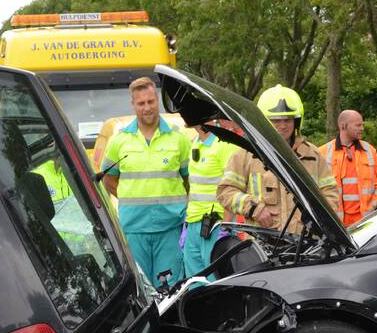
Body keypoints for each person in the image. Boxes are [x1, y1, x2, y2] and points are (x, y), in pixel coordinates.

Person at [100, 77, 191, 286]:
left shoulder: (179, 139)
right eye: (141, 103)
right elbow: (108, 179)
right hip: (133, 230)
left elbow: (188, 181)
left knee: (170, 289)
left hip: (170, 229)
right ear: (133, 105)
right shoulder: (119, 141)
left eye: (151, 102)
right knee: (139, 288)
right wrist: (129, 197)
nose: (147, 108)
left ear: (157, 100)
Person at [218, 84, 339, 235]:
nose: (282, 125)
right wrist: (254, 208)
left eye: (288, 120)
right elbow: (225, 191)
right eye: (276, 120)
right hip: (264, 244)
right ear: (264, 121)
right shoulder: (246, 154)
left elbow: (330, 193)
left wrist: (319, 219)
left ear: (296, 121)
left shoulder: (312, 155)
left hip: (306, 245)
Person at [183, 124, 238, 278]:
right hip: (194, 225)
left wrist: (226, 227)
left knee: (216, 283)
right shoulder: (195, 142)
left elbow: (232, 187)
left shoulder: (224, 143)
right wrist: (187, 225)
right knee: (194, 285)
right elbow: (194, 187)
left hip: (215, 226)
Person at [319, 110, 377, 226]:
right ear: (343, 126)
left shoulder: (369, 150)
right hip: (336, 224)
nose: (362, 128)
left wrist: (375, 206)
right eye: (358, 125)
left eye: (362, 125)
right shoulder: (322, 153)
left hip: (366, 222)